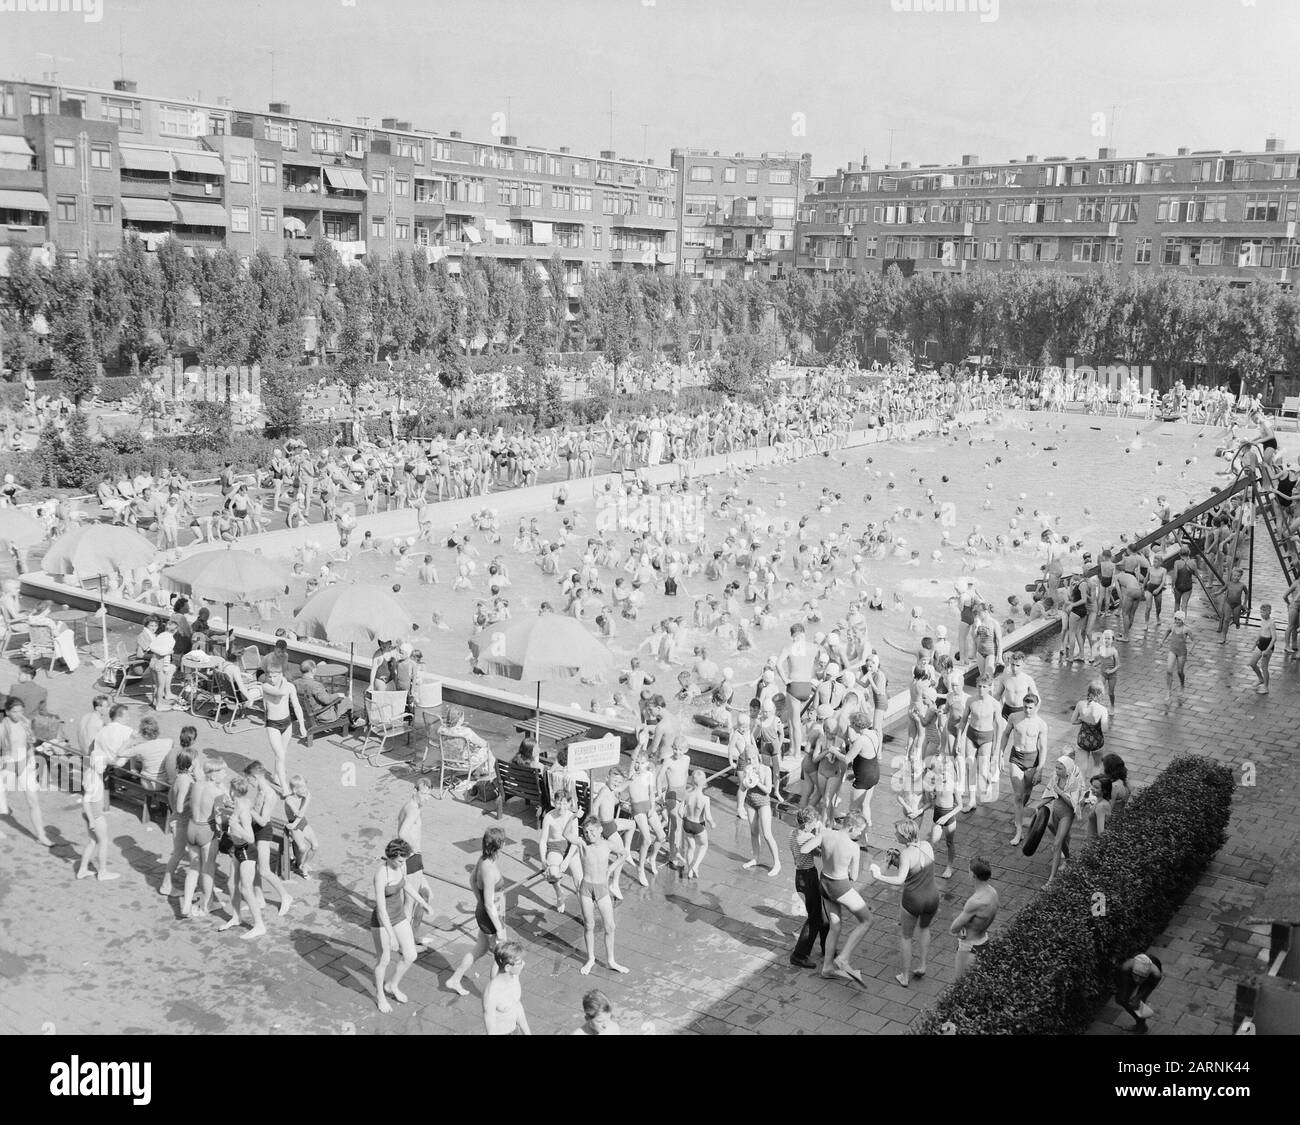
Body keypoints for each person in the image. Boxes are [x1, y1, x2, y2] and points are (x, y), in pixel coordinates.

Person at [800, 813, 872, 986]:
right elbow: (854, 876)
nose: (860, 836)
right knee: (867, 920)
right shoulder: (853, 847)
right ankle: (843, 958)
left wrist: (821, 846)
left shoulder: (826, 833)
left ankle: (827, 968)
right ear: (852, 827)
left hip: (824, 883)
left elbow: (804, 849)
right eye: (860, 831)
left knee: (836, 925)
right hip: (840, 886)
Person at [871, 818, 940, 987]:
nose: (894, 834)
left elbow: (901, 879)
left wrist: (879, 876)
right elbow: (918, 870)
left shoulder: (906, 855)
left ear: (903, 835)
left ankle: (905, 976)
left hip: (913, 900)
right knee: (924, 928)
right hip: (932, 897)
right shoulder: (927, 846)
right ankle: (922, 965)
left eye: (896, 832)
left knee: (906, 937)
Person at [565, 815, 630, 976]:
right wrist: (573, 816)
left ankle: (611, 960)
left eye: (592, 831)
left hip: (602, 889)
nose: (589, 835)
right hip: (586, 888)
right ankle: (590, 958)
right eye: (586, 832)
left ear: (600, 830)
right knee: (589, 925)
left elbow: (624, 854)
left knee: (610, 926)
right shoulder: (582, 844)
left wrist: (611, 868)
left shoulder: (608, 844)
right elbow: (566, 834)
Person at [446, 828, 507, 995]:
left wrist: (479, 901)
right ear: (500, 845)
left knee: (479, 949)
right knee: (501, 958)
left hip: (490, 914)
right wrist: (499, 928)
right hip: (491, 917)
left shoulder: (483, 859)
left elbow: (472, 880)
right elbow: (488, 903)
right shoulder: (488, 868)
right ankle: (494, 995)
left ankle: (454, 979)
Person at [370, 838, 418, 1013]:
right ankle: (380, 996)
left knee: (411, 955)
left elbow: (406, 885)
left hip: (398, 916)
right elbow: (381, 910)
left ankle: (392, 985)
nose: (403, 863)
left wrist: (423, 903)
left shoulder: (400, 866)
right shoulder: (381, 874)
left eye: (404, 860)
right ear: (391, 857)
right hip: (382, 922)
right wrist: (391, 936)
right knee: (384, 960)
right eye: (400, 860)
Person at [217, 776, 267, 940]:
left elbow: (251, 838)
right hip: (236, 849)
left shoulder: (243, 811)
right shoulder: (242, 802)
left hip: (247, 851)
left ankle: (259, 925)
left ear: (234, 791)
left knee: (246, 889)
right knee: (231, 884)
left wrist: (236, 825)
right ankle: (236, 917)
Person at [0, 695, 50, 846]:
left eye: (20, 711)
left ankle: (41, 835)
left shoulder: (25, 723)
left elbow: (29, 743)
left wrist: (33, 760)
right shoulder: (2, 727)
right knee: (1, 801)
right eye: (15, 711)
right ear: (7, 712)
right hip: (7, 766)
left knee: (33, 800)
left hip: (24, 764)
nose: (18, 714)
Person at [1002, 692, 1046, 846]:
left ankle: (1018, 814)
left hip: (1032, 760)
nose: (1027, 710)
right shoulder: (1014, 717)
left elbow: (1043, 747)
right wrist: (1000, 754)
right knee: (1019, 796)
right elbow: (1006, 734)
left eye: (1030, 708)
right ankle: (1019, 832)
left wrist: (1040, 768)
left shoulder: (1041, 724)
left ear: (1036, 707)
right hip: (1016, 759)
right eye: (1025, 707)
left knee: (1026, 794)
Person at [789, 806, 829, 969]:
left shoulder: (793, 833)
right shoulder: (805, 839)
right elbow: (821, 853)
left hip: (801, 876)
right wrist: (821, 834)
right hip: (808, 877)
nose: (815, 824)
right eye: (813, 822)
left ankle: (828, 948)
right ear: (807, 824)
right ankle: (799, 954)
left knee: (822, 916)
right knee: (815, 917)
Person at [949, 856, 999, 979]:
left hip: (969, 947)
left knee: (959, 985)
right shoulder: (993, 893)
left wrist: (959, 931)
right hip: (984, 940)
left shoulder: (975, 902)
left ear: (973, 875)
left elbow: (954, 928)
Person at [260, 668, 305, 795]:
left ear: (280, 674)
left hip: (287, 723)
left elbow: (296, 705)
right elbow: (279, 693)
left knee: (282, 753)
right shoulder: (266, 686)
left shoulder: (290, 686)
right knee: (280, 755)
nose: (272, 680)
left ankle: (276, 776)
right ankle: (285, 787)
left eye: (275, 676)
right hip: (273, 724)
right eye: (269, 676)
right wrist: (284, 680)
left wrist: (302, 724)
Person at [481, 941, 531, 1035]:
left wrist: (527, 1032)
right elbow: (491, 1031)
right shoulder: (491, 993)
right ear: (508, 967)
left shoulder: (514, 978)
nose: (523, 964)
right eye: (520, 963)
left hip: (515, 1030)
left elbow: (517, 1006)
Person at [1114, 952, 1164, 1033]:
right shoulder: (1125, 968)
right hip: (1129, 974)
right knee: (1121, 999)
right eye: (1136, 975)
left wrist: (1139, 998)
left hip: (1150, 978)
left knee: (1136, 1002)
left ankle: (1141, 1025)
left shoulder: (1156, 975)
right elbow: (1119, 983)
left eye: (1141, 977)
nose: (1137, 980)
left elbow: (1150, 986)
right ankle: (1141, 1023)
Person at [679, 768, 715, 879]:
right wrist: (713, 824)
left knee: (691, 848)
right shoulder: (705, 799)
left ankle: (689, 870)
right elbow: (708, 817)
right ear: (704, 783)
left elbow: (680, 812)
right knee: (704, 845)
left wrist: (684, 817)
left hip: (687, 823)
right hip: (698, 825)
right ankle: (695, 866)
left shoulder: (687, 794)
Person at [1070, 682, 1109, 773]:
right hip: (1097, 742)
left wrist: (1082, 720)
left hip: (1083, 740)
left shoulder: (1080, 704)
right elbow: (1104, 729)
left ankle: (1081, 786)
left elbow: (1073, 721)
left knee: (1081, 767)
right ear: (1100, 694)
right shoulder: (1103, 710)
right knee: (1097, 765)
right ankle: (1094, 786)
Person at [1249, 603, 1276, 695]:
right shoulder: (1262, 620)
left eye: (1264, 612)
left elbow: (1274, 638)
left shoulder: (1271, 622)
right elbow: (1260, 632)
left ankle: (1266, 687)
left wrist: (1267, 650)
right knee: (1252, 663)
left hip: (1267, 646)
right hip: (1260, 644)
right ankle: (1261, 679)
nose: (1262, 614)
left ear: (1269, 612)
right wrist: (1255, 642)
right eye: (1261, 612)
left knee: (1264, 667)